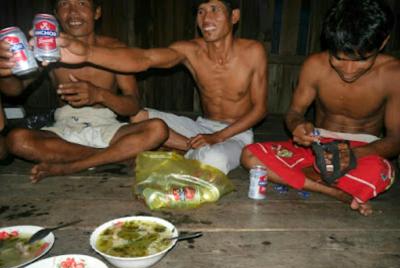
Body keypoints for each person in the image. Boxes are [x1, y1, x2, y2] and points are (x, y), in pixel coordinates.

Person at [52, 0, 268, 174]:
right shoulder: (189, 50)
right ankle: (186, 149)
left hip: (236, 133)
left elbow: (260, 110)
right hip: (201, 127)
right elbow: (144, 58)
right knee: (139, 116)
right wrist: (85, 51)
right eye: (201, 11)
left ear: (234, 16)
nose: (206, 18)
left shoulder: (253, 51)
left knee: (213, 160)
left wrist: (218, 137)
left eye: (214, 9)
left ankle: (177, 153)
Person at [241, 0, 400, 216]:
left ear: (382, 43)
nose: (349, 70)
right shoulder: (315, 65)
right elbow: (294, 113)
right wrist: (298, 125)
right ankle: (336, 192)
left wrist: (355, 154)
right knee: (250, 156)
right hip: (317, 144)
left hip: (364, 150)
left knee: (379, 173)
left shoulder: (393, 74)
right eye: (339, 58)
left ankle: (308, 175)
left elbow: (395, 140)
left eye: (361, 59)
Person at [0, 0, 168, 182]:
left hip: (108, 127)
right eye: (65, 4)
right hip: (64, 128)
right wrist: (5, 71)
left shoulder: (114, 49)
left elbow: (133, 106)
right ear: (56, 14)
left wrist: (100, 95)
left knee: (157, 129)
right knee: (17, 140)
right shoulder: (47, 47)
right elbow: (15, 90)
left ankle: (72, 166)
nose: (73, 12)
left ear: (96, 13)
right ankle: (115, 156)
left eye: (81, 3)